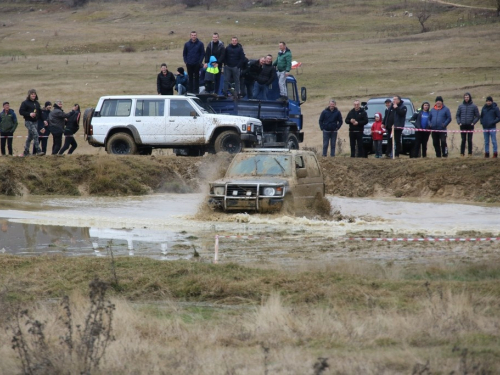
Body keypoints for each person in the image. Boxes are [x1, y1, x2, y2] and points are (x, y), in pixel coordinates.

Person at [19, 89, 45, 156]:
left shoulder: (37, 103)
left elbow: (40, 113)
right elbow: (21, 111)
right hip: (28, 121)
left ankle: (26, 151)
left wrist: (44, 120)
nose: (33, 95)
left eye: (34, 94)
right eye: (32, 94)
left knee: (30, 137)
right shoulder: (25, 103)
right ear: (29, 95)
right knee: (36, 134)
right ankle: (38, 151)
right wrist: (29, 114)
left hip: (35, 122)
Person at [456, 92, 480, 157]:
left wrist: (473, 123)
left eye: (467, 97)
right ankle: (462, 153)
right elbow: (457, 115)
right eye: (465, 97)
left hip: (470, 125)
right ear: (464, 98)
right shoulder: (460, 106)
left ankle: (470, 153)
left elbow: (477, 116)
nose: (466, 98)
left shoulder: (474, 106)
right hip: (462, 125)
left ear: (469, 98)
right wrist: (459, 122)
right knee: (463, 140)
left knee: (469, 140)